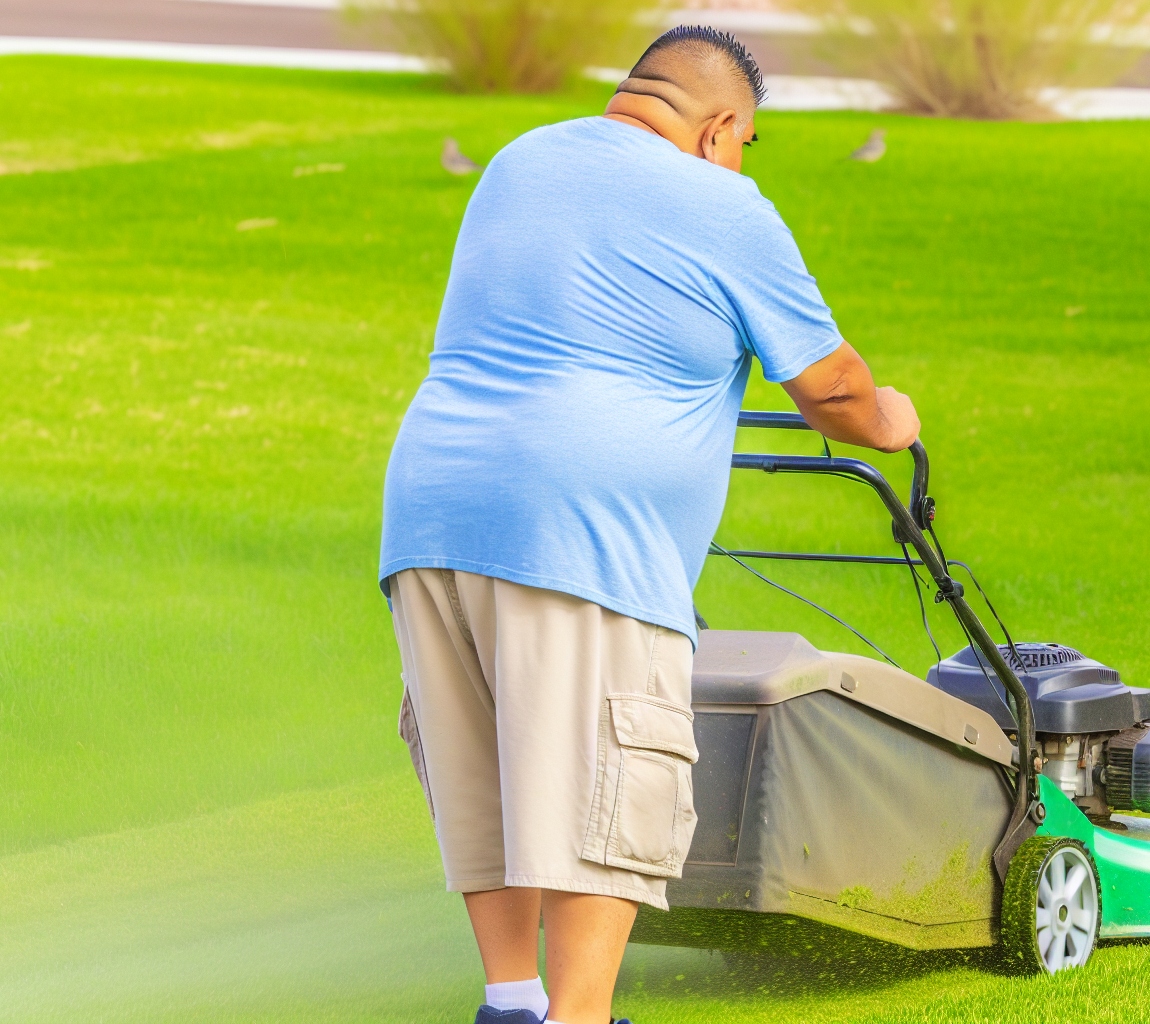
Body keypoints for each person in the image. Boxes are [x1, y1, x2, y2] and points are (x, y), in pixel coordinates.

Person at [378, 25, 920, 1024]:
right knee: (610, 785)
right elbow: (834, 388)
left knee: (488, 771)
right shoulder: (724, 203)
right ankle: (578, 1018)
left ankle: (510, 1002)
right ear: (721, 129)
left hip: (431, 514)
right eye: (746, 141)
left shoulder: (519, 159)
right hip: (579, 530)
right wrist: (894, 418)